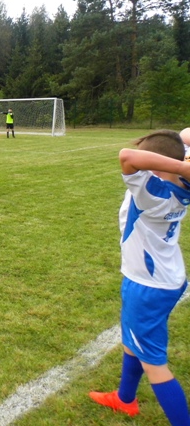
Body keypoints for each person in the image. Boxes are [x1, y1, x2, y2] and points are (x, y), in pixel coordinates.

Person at [89, 130, 190, 425]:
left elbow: (127, 156)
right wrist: (183, 163)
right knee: (132, 340)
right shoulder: (182, 183)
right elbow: (183, 136)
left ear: (155, 166)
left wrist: (181, 164)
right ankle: (125, 399)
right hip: (163, 276)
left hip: (148, 285)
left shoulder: (152, 193)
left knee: (154, 363)